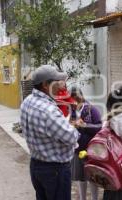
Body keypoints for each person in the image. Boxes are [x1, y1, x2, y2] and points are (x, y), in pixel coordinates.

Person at [20, 65, 80, 200]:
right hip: (55, 170)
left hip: (36, 165)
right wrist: (72, 125)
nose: (60, 85)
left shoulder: (27, 101)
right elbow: (72, 137)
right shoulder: (48, 110)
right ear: (46, 85)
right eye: (56, 81)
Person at [70, 86, 102, 200]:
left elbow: (99, 126)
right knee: (80, 177)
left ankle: (94, 198)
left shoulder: (91, 109)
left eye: (77, 96)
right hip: (77, 149)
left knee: (92, 177)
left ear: (82, 95)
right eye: (73, 97)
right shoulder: (71, 110)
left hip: (90, 150)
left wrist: (85, 126)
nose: (75, 100)